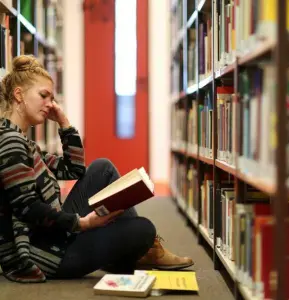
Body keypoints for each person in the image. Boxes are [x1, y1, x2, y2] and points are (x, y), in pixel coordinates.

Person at [0, 55, 194, 283]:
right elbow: (27, 208)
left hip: (51, 236)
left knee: (102, 168)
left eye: (52, 98)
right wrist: (81, 224)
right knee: (144, 229)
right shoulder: (11, 143)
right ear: (19, 95)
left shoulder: (24, 142)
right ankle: (139, 250)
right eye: (43, 96)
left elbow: (75, 170)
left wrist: (65, 124)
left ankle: (138, 251)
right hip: (44, 255)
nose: (50, 104)